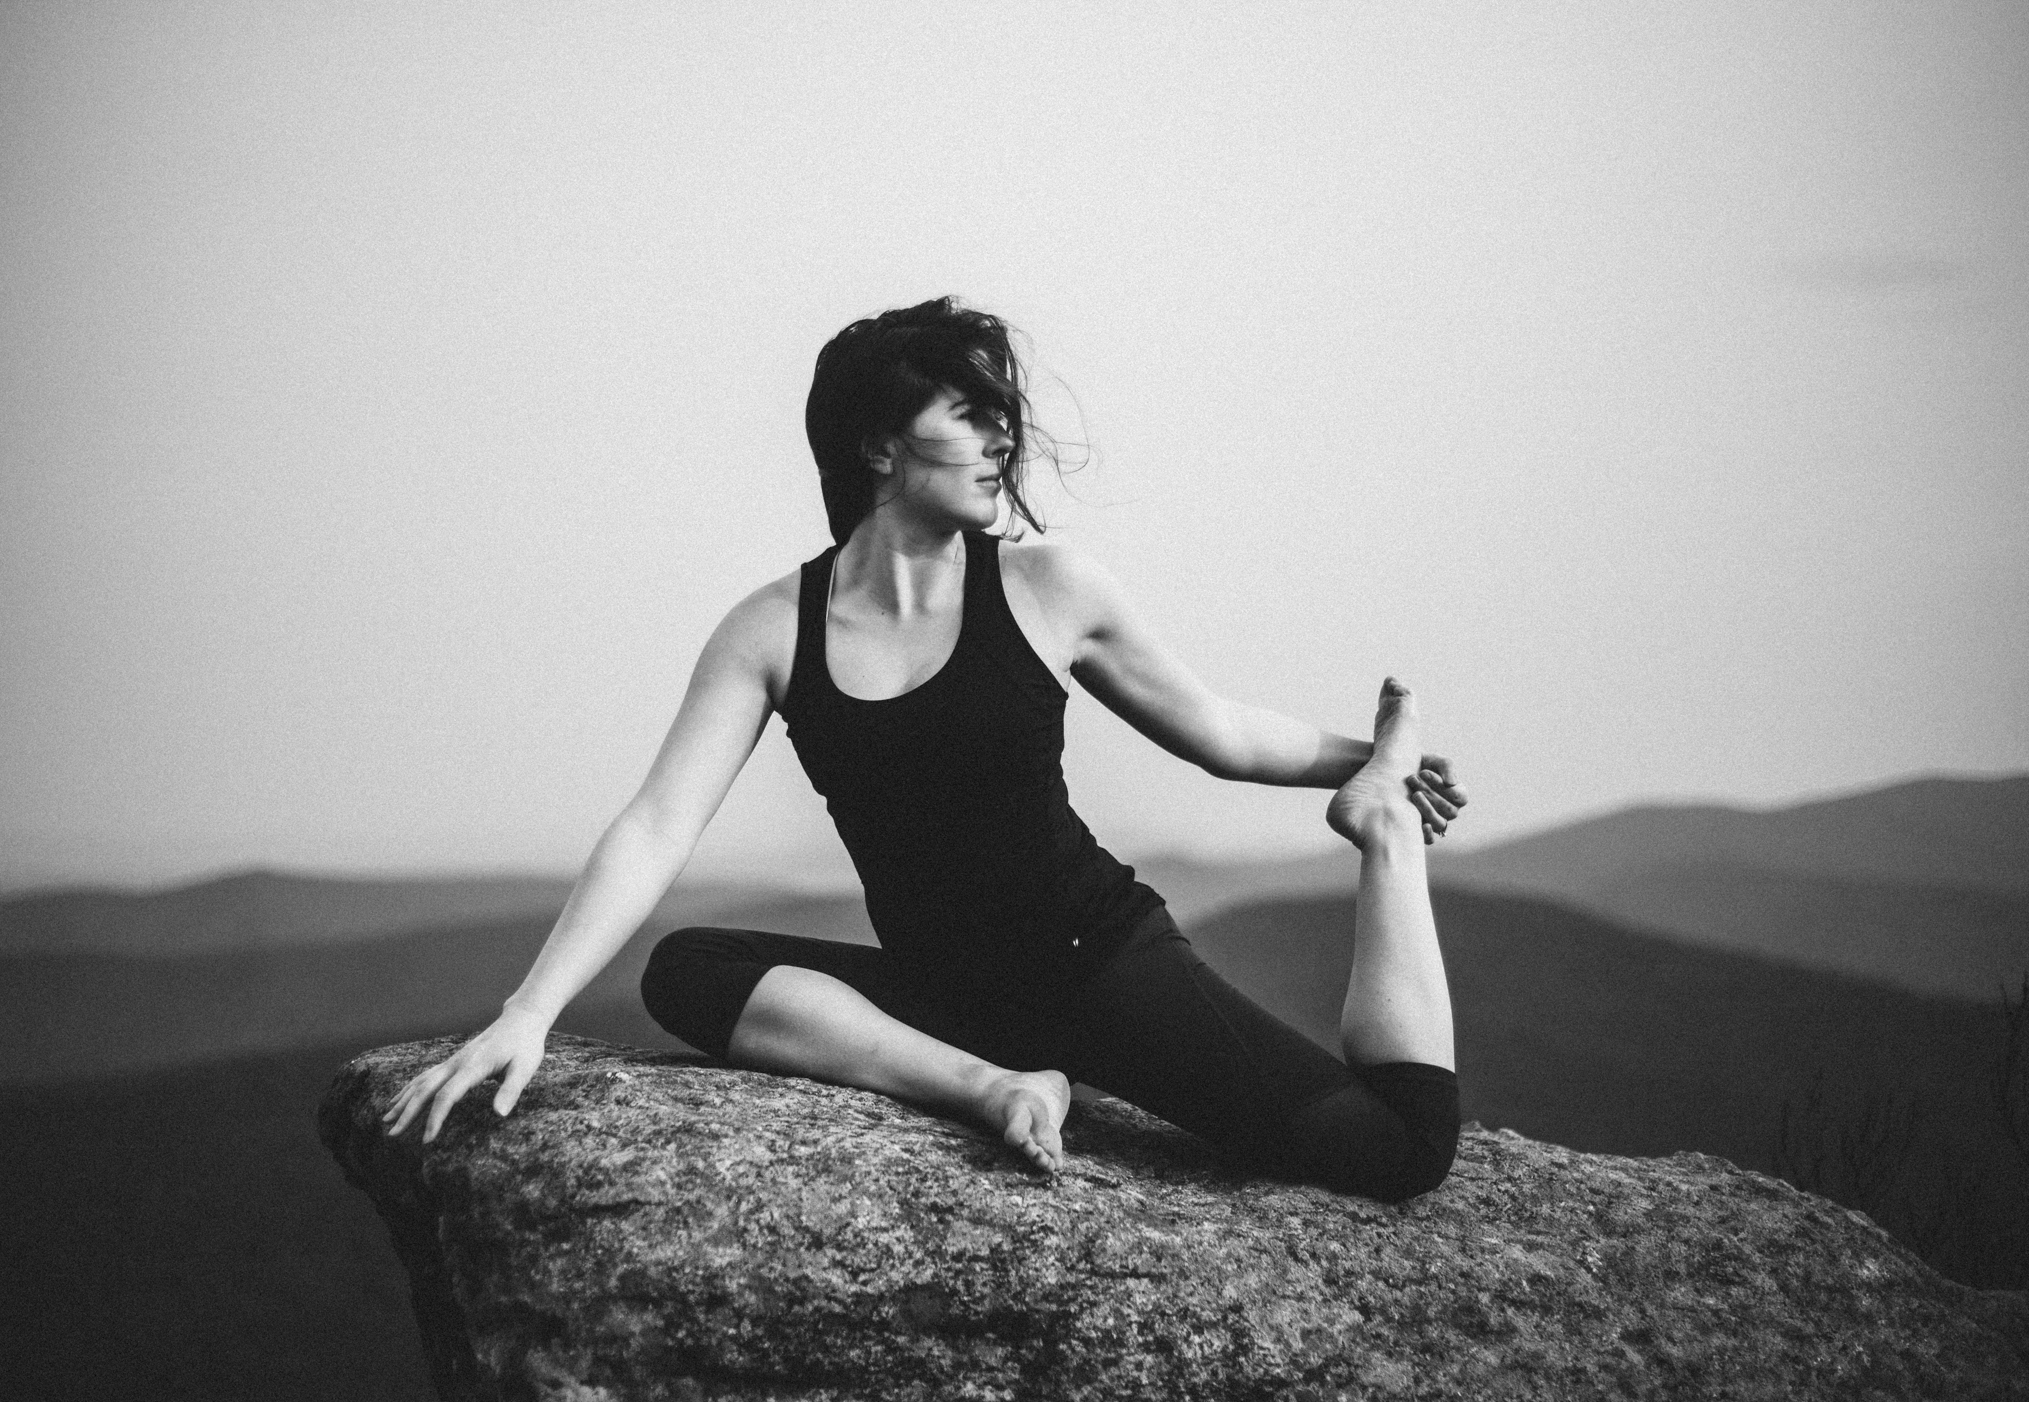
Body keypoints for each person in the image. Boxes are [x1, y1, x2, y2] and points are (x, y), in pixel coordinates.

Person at [383, 298, 1468, 1202]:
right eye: (971, 413)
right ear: (879, 446)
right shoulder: (770, 629)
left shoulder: (1048, 589)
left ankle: (1383, 842)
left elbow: (1224, 733)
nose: (1004, 439)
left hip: (1099, 967)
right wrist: (529, 1013)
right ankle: (994, 1086)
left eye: (1003, 415)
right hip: (939, 1000)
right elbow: (660, 820)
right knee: (688, 968)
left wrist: (1365, 764)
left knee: (1396, 1152)